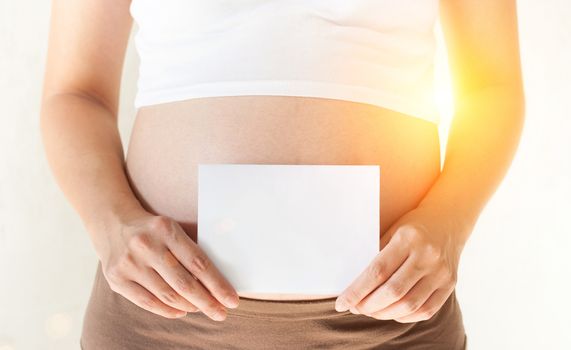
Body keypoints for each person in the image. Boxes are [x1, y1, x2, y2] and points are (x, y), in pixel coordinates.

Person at [39, 0, 524, 349]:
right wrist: (111, 226)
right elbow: (74, 93)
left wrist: (450, 224)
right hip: (161, 318)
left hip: (390, 321)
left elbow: (491, 89)